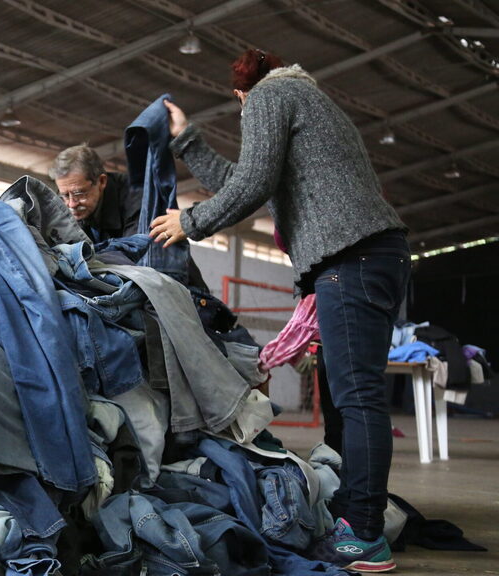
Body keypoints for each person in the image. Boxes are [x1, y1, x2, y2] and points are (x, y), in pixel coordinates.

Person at [149, 49, 409, 573]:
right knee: (345, 395)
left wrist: (190, 222)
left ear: (243, 94)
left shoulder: (272, 95)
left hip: (350, 258)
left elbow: (252, 183)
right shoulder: (308, 102)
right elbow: (246, 176)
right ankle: (351, 513)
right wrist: (186, 138)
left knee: (356, 398)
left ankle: (364, 533)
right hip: (367, 257)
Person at [49, 144, 208, 290]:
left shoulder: (141, 200)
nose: (71, 204)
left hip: (183, 298)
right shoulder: (76, 209)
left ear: (102, 181)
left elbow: (133, 257)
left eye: (79, 193)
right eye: (64, 195)